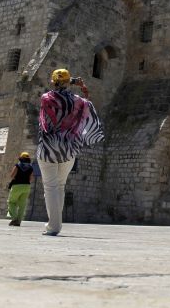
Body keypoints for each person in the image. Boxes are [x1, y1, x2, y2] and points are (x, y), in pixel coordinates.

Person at [37, 69, 104, 236]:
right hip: (69, 149)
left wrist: (68, 82)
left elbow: (54, 95)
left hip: (48, 149)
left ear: (53, 82)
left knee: (50, 187)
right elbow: (88, 106)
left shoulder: (47, 98)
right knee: (59, 186)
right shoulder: (79, 102)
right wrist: (77, 85)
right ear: (68, 82)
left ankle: (54, 226)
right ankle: (54, 224)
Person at [6, 151, 34, 226]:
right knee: (22, 205)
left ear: (21, 158)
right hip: (26, 187)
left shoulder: (18, 166)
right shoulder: (31, 167)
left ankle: (14, 218)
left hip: (17, 186)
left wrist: (17, 178)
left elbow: (12, 175)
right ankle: (19, 221)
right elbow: (30, 179)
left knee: (11, 202)